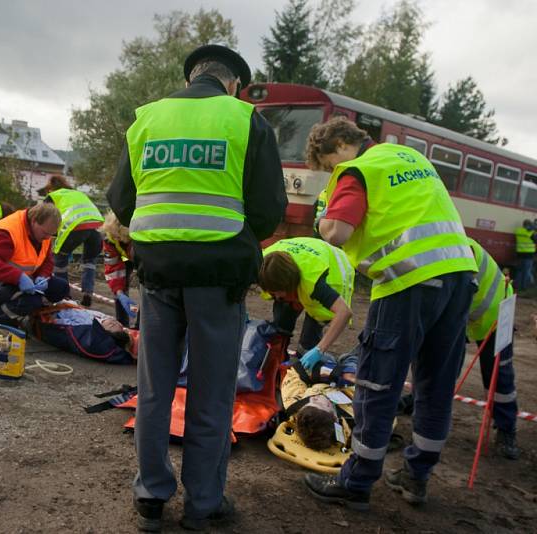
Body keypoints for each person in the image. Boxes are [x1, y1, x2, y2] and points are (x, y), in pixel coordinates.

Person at [107, 44, 287, 531]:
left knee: (154, 389)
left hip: (158, 274)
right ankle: (203, 505)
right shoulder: (245, 120)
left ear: (191, 78)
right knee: (211, 394)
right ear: (233, 85)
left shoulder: (146, 119)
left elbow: (121, 201)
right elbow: (270, 208)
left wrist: (164, 233)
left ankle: (150, 498)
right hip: (219, 279)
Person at [303, 116, 476, 509]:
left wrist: (321, 216)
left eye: (329, 164)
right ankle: (416, 478)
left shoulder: (359, 169)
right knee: (434, 384)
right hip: (460, 277)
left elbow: (337, 232)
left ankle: (357, 482)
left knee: (378, 384)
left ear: (341, 147)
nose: (333, 171)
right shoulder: (413, 158)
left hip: (408, 283)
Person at [0, 202, 70, 326]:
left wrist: (43, 276)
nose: (47, 237)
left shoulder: (43, 235)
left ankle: (25, 318)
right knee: (29, 301)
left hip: (15, 279)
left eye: (51, 234)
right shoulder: (8, 231)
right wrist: (19, 278)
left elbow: (46, 261)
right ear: (34, 221)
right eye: (45, 233)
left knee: (61, 288)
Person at [258, 237, 354, 368]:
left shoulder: (315, 283)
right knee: (280, 326)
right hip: (303, 257)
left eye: (280, 291)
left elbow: (344, 312)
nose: (277, 296)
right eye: (273, 292)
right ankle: (279, 366)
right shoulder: (262, 264)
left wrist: (319, 349)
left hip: (333, 271)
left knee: (308, 345)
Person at [466, 238, 519, 459]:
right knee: (440, 365)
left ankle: (507, 429)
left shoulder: (462, 249)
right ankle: (418, 405)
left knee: (498, 376)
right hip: (469, 315)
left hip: (497, 315)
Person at [40, 175, 104, 306]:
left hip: (75, 225)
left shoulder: (54, 195)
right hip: (96, 225)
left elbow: (43, 217)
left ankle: (64, 296)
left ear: (51, 189)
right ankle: (88, 293)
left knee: (59, 260)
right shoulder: (77, 194)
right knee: (90, 261)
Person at [280, 351, 357, 452]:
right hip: (348, 386)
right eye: (322, 403)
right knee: (356, 361)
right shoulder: (350, 420)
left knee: (317, 357)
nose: (314, 398)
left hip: (321, 374)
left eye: (310, 403)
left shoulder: (293, 403)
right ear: (334, 416)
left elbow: (295, 374)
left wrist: (321, 372)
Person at [101, 211, 138, 326]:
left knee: (147, 290)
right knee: (120, 288)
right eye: (115, 236)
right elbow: (112, 267)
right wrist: (119, 291)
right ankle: (122, 323)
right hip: (125, 258)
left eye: (120, 237)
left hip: (142, 258)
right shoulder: (109, 240)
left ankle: (141, 326)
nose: (117, 239)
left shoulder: (138, 237)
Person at [513, 219, 535, 291]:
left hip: (520, 254)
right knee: (526, 271)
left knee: (519, 271)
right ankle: (524, 287)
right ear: (529, 225)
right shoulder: (530, 233)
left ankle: (516, 286)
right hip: (529, 255)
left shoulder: (518, 231)